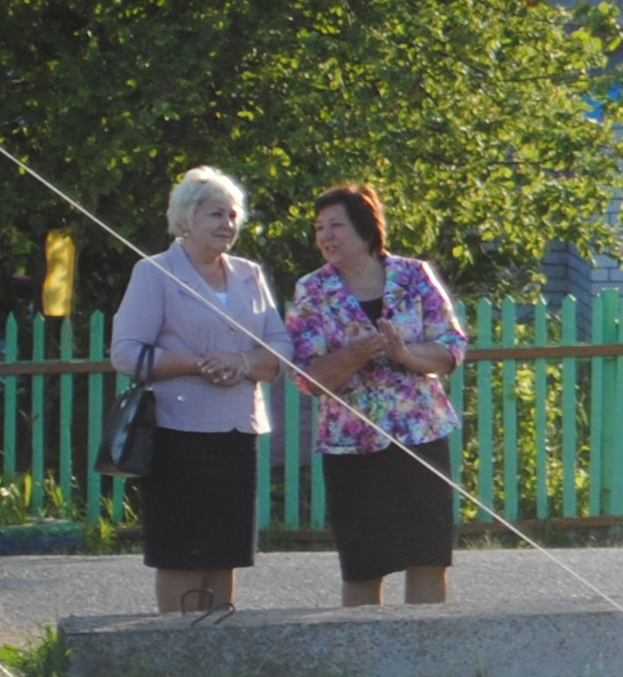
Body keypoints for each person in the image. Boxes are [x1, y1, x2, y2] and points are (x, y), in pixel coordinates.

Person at [284, 182, 469, 610]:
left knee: (427, 555)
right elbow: (305, 376)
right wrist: (352, 355)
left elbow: (451, 349)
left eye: (336, 225)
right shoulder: (312, 291)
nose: (326, 236)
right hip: (352, 444)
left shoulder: (414, 275)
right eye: (319, 228)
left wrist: (405, 354)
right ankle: (365, 664)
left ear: (366, 230)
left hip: (420, 435)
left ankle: (426, 658)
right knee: (364, 562)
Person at [111, 168, 287, 614]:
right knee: (182, 549)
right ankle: (175, 650)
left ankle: (217, 654)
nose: (227, 224)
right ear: (185, 220)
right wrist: (199, 365)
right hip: (177, 432)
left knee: (226, 551)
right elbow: (126, 353)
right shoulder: (154, 273)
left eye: (232, 215)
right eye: (215, 214)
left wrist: (243, 363)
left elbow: (280, 347)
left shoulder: (250, 275)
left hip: (237, 432)